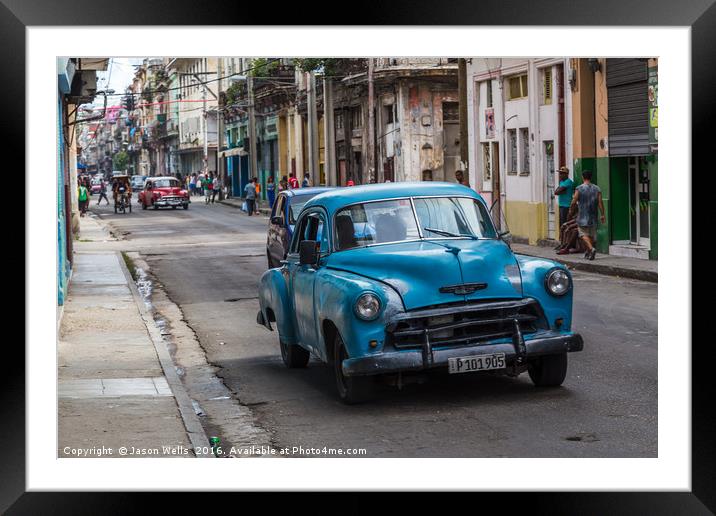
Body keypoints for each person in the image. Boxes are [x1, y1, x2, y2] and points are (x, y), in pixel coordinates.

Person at [569, 170, 605, 261]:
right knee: (591, 235)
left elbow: (574, 201)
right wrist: (603, 214)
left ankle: (591, 249)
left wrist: (571, 210)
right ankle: (589, 251)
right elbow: (600, 202)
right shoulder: (597, 189)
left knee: (582, 234)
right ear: (591, 177)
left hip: (582, 216)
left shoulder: (579, 188)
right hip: (593, 215)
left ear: (582, 177)